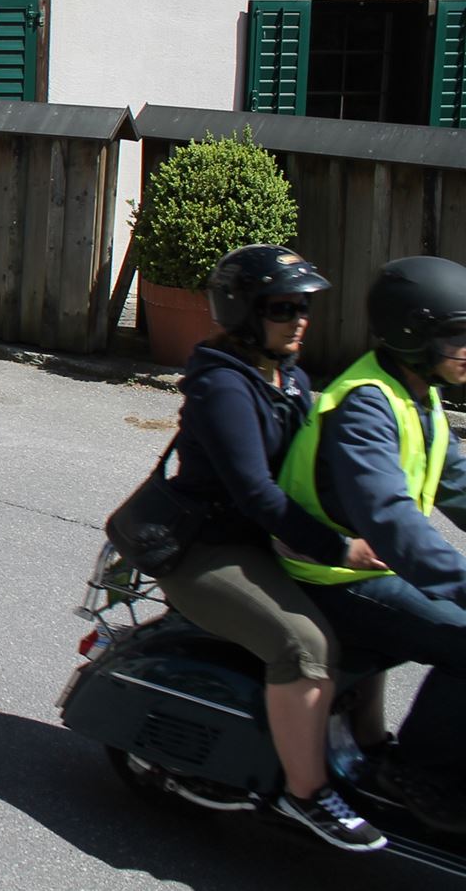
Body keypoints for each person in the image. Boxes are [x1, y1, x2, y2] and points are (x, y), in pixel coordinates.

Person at [152, 246, 388, 851]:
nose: (300, 319)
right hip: (207, 552)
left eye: (304, 306)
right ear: (245, 312)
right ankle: (306, 794)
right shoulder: (223, 386)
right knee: (305, 645)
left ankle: (370, 749)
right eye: (284, 308)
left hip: (266, 546)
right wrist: (338, 547)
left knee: (379, 614)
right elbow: (257, 495)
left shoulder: (291, 378)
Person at [277, 255, 466, 834]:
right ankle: (418, 775)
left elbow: (458, 483)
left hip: (376, 569)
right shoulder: (366, 403)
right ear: (413, 336)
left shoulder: (418, 393)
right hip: (334, 577)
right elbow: (391, 522)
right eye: (456, 338)